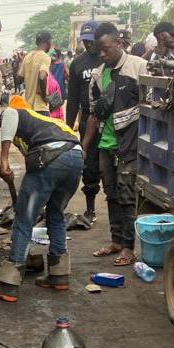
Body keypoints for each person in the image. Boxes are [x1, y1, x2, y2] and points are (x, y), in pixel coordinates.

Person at [0, 95, 83, 302]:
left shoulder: (16, 111)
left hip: (52, 155)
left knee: (24, 218)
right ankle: (59, 274)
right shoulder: (46, 123)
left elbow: (10, 115)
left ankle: (9, 283)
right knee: (56, 214)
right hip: (75, 158)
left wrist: (4, 161)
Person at [85, 22, 147, 267]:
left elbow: (152, 108)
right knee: (111, 193)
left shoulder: (138, 67)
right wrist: (85, 145)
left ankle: (129, 247)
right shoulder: (97, 75)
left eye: (106, 49)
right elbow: (93, 114)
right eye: (98, 50)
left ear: (119, 43)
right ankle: (116, 241)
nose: (102, 54)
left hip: (129, 145)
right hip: (106, 143)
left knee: (127, 195)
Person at [66, 19, 101, 224]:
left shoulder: (107, 59)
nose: (88, 44)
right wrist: (68, 128)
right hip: (87, 120)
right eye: (85, 41)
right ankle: (90, 209)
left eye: (91, 40)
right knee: (89, 165)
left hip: (108, 120)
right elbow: (72, 99)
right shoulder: (77, 63)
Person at [18, 31, 52, 115]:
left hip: (28, 107)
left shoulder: (27, 57)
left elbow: (19, 79)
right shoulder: (45, 57)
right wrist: (45, 96)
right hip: (40, 107)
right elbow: (42, 77)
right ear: (48, 42)